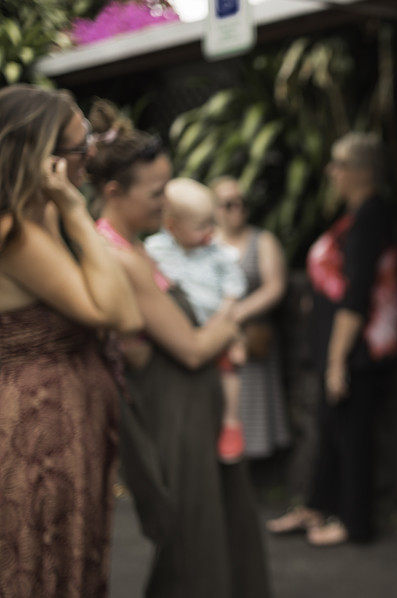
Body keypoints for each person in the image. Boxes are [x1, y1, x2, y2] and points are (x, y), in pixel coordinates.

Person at [86, 100, 269, 598]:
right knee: (193, 541)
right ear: (112, 192)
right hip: (174, 412)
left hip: (192, 406)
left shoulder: (139, 246)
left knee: (213, 531)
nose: (165, 203)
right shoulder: (120, 257)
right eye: (156, 192)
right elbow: (190, 349)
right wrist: (232, 311)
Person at [0, 85, 142, 597]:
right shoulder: (16, 232)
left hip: (66, 422)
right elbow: (120, 312)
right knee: (42, 561)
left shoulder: (42, 218)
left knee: (71, 556)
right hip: (38, 430)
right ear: (45, 159)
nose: (91, 158)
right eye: (81, 148)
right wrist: (78, 211)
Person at [267, 132, 397, 546]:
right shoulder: (356, 215)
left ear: (361, 171)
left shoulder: (371, 217)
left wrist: (336, 361)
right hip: (343, 350)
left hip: (357, 353)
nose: (331, 172)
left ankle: (354, 523)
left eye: (339, 165)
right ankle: (317, 507)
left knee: (353, 434)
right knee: (331, 429)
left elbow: (356, 296)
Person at [145, 177, 249, 463]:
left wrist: (225, 319)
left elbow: (233, 288)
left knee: (231, 367)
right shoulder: (156, 250)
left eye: (210, 223)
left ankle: (231, 422)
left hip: (215, 322)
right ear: (172, 226)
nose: (210, 231)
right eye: (200, 226)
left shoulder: (217, 252)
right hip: (179, 327)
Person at [212, 176, 291, 459]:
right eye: (229, 204)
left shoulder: (262, 240)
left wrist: (237, 313)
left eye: (241, 203)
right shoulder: (208, 242)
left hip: (252, 339)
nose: (237, 209)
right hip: (216, 339)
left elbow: (275, 287)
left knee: (252, 406)